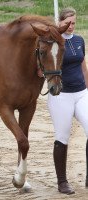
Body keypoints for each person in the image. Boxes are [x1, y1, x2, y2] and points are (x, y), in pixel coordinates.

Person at [47, 7, 88, 195]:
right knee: (62, 137)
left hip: (81, 93)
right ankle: (62, 182)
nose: (71, 26)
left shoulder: (80, 40)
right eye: (68, 23)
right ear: (60, 22)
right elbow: (44, 67)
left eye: (74, 22)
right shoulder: (54, 41)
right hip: (61, 95)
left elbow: (83, 66)